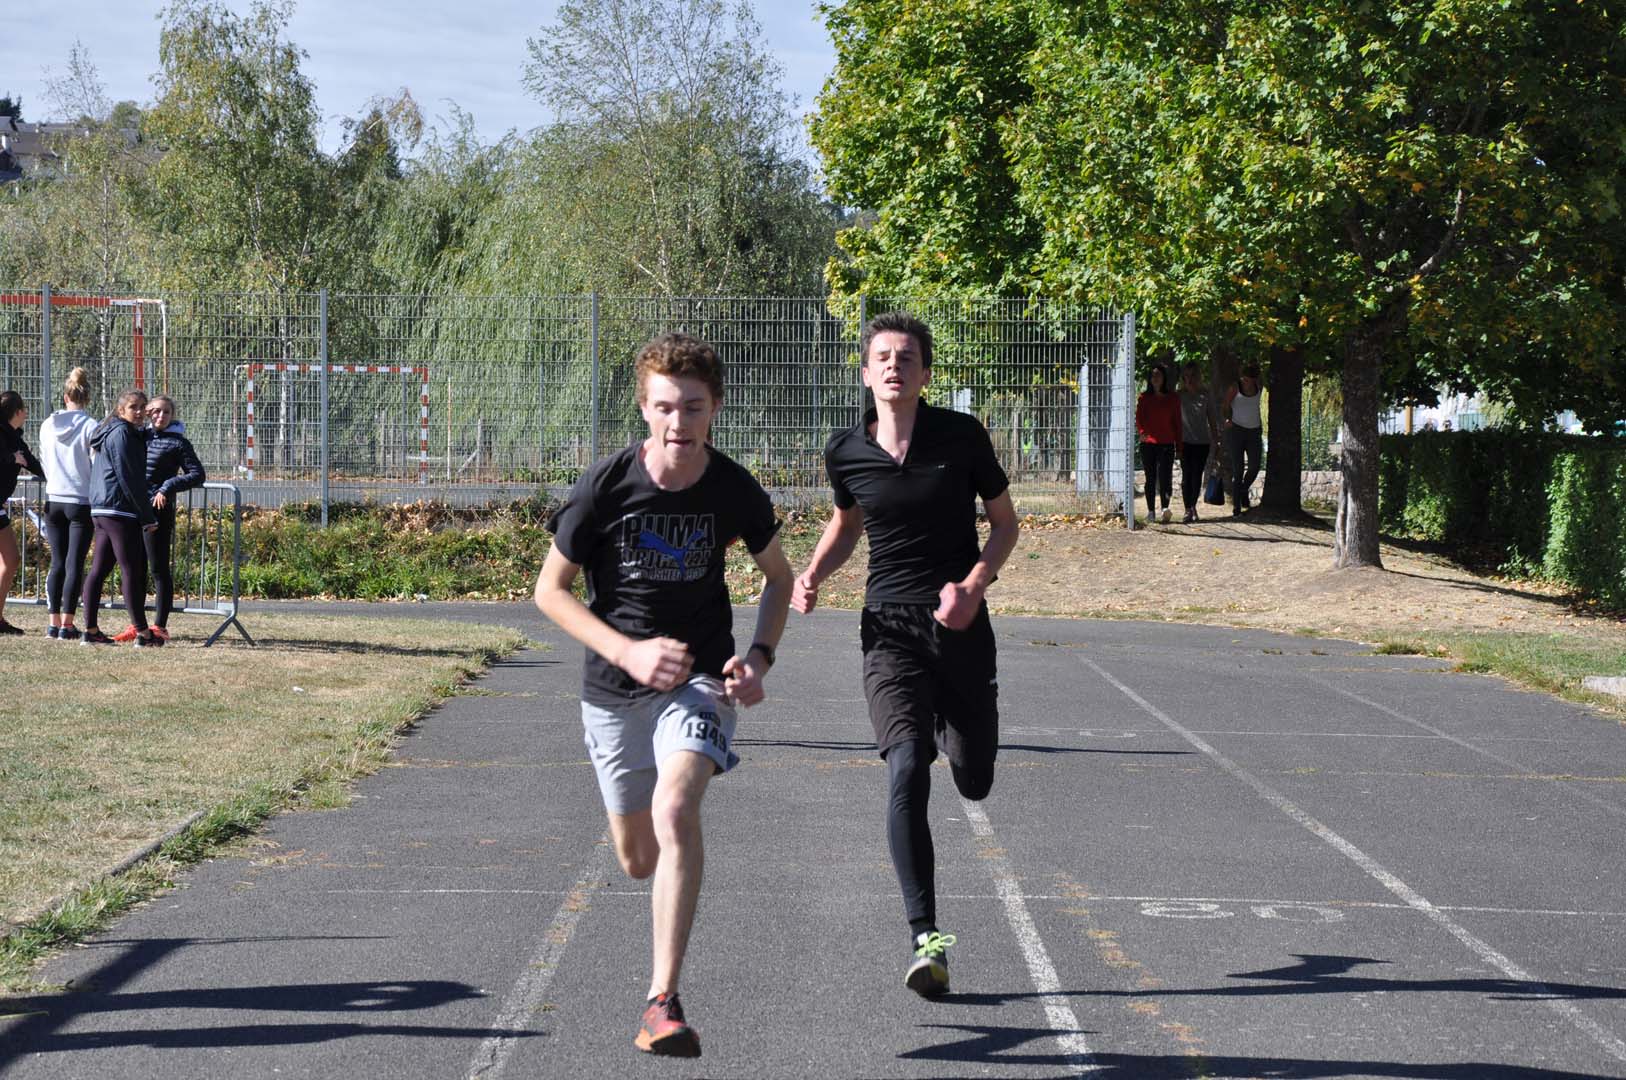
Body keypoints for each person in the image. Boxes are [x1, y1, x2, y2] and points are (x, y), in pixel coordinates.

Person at [533, 331, 791, 1058]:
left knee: (677, 809)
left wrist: (759, 658)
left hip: (699, 678)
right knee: (637, 859)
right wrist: (627, 651)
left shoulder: (733, 489)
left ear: (716, 410)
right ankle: (641, 861)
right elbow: (549, 591)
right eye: (666, 407)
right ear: (645, 409)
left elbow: (778, 577)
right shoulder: (605, 486)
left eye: (694, 408)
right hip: (613, 688)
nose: (680, 422)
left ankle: (661, 1001)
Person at [791, 311, 1019, 997]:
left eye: (907, 357)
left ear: (924, 373)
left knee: (973, 778)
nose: (895, 365)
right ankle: (926, 937)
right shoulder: (845, 451)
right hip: (888, 628)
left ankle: (960, 722)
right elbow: (846, 525)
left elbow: (1005, 524)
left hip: (961, 624)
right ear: (866, 373)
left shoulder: (961, 436)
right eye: (883, 357)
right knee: (907, 766)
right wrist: (813, 574)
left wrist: (974, 586)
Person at [80, 390, 160, 647]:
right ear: (120, 410)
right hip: (118, 509)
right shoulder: (122, 433)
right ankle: (143, 634)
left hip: (103, 508)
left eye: (143, 407)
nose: (139, 411)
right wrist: (147, 515)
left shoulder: (115, 431)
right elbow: (129, 477)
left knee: (100, 569)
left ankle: (91, 631)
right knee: (132, 570)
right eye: (133, 407)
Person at [39, 368, 98, 640]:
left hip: (53, 498)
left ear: (65, 397)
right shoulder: (91, 426)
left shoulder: (47, 425)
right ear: (87, 398)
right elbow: (96, 463)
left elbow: (44, 459)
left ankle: (53, 623)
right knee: (75, 563)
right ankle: (68, 623)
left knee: (57, 562)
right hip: (80, 499)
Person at [141, 395, 206, 641]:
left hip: (158, 511)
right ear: (148, 412)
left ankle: (160, 626)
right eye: (156, 411)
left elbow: (197, 474)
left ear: (172, 415)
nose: (161, 416)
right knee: (135, 568)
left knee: (158, 568)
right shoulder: (138, 436)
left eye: (166, 412)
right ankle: (138, 625)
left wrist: (167, 487)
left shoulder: (178, 443)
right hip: (134, 510)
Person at [0, 389, 46, 636]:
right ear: (17, 412)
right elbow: (12, 457)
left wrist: (60, 479)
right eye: (24, 410)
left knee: (11, 560)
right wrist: (10, 458)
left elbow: (33, 463)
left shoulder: (15, 438)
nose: (27, 414)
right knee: (10, 559)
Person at [1135, 362, 1182, 525]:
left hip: (1167, 443)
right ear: (1150, 379)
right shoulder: (1144, 398)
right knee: (1150, 477)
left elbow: (1177, 423)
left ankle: (1165, 508)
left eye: (1159, 375)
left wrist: (1179, 446)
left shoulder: (1173, 398)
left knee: (1165, 477)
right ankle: (1150, 511)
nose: (1155, 378)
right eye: (1153, 375)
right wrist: (1142, 433)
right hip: (1148, 444)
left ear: (1164, 379)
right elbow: (1139, 418)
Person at [1176, 362, 1217, 524]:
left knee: (1197, 475)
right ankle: (1188, 509)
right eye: (1186, 376)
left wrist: (1216, 440)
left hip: (1202, 442)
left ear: (1198, 376)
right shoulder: (1179, 395)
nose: (1189, 379)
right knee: (1187, 475)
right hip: (1184, 441)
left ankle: (1193, 506)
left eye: (1193, 375)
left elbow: (1211, 418)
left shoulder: (1205, 394)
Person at [1223, 365, 1265, 515]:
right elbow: (1225, 405)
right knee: (1238, 470)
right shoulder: (1235, 387)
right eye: (1243, 378)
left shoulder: (1259, 386)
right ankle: (1237, 507)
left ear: (1254, 379)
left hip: (1254, 431)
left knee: (1254, 466)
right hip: (1237, 430)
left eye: (1248, 379)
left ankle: (1243, 489)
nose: (1245, 381)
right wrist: (1227, 418)